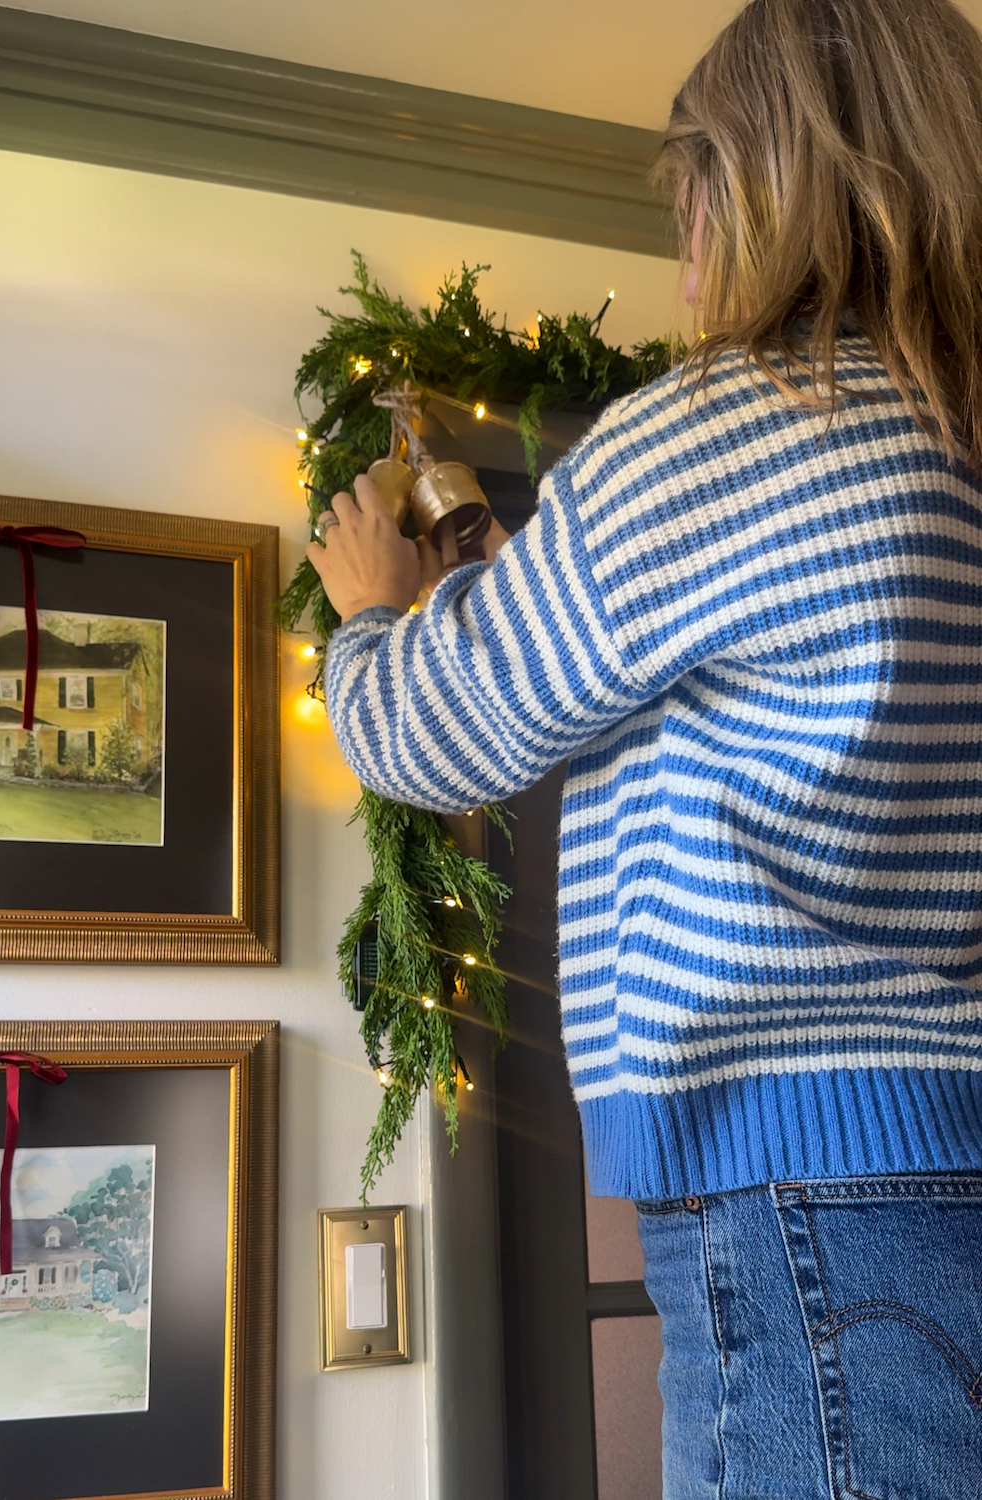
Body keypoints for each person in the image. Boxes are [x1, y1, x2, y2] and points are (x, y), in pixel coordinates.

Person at [307, 1, 982, 1493]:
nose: (683, 244)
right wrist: (500, 564)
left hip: (799, 1208)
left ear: (766, 184)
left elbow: (434, 729)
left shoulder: (727, 423)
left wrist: (369, 612)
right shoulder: (946, 433)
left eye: (693, 192)